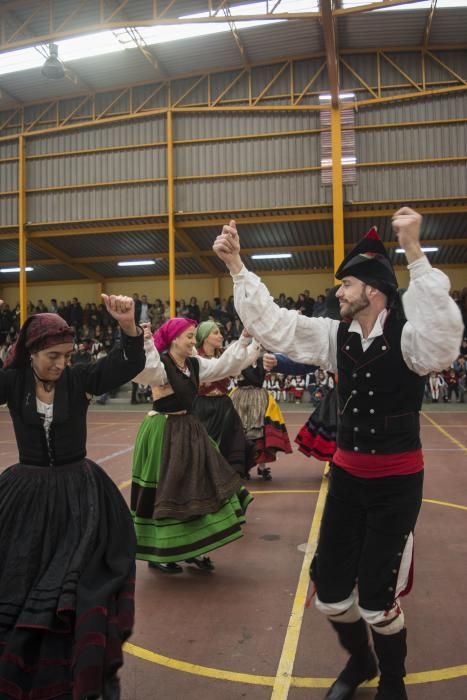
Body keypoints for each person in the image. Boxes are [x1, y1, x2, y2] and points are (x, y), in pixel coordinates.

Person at [213, 208, 463, 700]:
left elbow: (443, 341)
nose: (338, 293)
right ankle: (362, 661)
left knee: (376, 598)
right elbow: (276, 324)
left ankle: (393, 680)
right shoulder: (334, 336)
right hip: (347, 481)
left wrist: (414, 251)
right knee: (328, 592)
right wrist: (236, 266)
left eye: (346, 285)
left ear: (372, 289)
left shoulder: (409, 338)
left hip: (396, 485)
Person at [0, 296, 145, 700]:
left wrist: (129, 326)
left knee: (80, 585)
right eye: (52, 356)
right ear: (30, 353)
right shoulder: (12, 382)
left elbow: (128, 364)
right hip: (25, 495)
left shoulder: (80, 379)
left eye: (66, 355)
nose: (61, 364)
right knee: (20, 581)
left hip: (78, 495)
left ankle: (83, 668)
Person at [130, 318, 257, 574]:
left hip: (189, 429)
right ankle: (160, 552)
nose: (192, 341)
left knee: (198, 486)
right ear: (174, 339)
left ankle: (195, 547)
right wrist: (145, 342)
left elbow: (225, 366)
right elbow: (145, 372)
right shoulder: (162, 365)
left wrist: (245, 340)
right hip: (163, 431)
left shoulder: (194, 364)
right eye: (188, 336)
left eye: (192, 336)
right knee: (167, 491)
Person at [192, 320, 259, 477]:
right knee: (205, 448)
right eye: (215, 333)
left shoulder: (224, 356)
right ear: (204, 337)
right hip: (202, 408)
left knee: (229, 446)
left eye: (220, 332)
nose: (221, 336)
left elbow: (243, 360)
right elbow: (223, 365)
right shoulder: (195, 358)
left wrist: (257, 339)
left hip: (224, 407)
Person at [230, 354, 292, 480]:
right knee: (241, 433)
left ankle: (262, 467)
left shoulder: (261, 359)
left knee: (260, 432)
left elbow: (257, 379)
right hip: (241, 397)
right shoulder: (240, 358)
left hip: (258, 397)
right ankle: (244, 467)